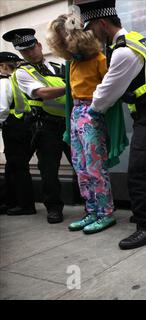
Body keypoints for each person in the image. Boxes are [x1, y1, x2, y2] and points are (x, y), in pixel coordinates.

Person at [76, 0, 146, 249]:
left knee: (139, 173)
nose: (90, 34)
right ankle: (143, 213)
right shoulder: (136, 39)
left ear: (102, 23)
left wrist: (93, 109)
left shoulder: (123, 51)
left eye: (91, 28)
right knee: (145, 169)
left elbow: (104, 95)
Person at [46, 13, 127, 234]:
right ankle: (91, 210)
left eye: (65, 37)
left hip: (93, 113)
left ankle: (105, 212)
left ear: (77, 36)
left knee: (95, 166)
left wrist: (95, 113)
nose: (63, 42)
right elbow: (71, 96)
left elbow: (110, 92)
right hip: (76, 115)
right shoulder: (72, 62)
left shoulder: (99, 59)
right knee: (80, 167)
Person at [2, 28, 71, 224]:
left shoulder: (59, 66)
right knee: (49, 170)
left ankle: (93, 204)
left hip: (69, 123)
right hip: (46, 126)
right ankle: (54, 208)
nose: (30, 53)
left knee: (81, 166)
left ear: (39, 46)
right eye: (24, 51)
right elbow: (42, 93)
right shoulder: (22, 73)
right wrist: (72, 87)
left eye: (32, 48)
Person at [0, 51, 35, 215]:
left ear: (3, 66)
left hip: (13, 125)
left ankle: (25, 205)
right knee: (15, 166)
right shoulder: (19, 79)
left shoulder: (3, 82)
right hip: (26, 124)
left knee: (17, 166)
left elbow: (2, 109)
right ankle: (12, 201)